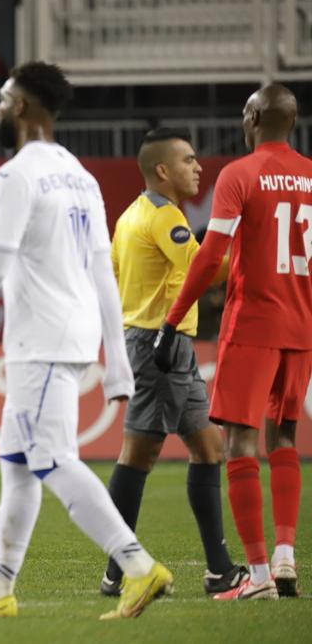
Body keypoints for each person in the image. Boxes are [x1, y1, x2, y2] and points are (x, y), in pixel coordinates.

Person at [0, 61, 171, 620]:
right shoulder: (80, 175)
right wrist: (114, 359)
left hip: (40, 339)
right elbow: (102, 272)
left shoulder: (15, 175)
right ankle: (0, 589)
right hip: (74, 333)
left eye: (4, 99)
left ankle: (138, 565)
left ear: (26, 109)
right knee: (15, 462)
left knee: (52, 459)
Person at [155, 83, 312, 600]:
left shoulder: (240, 175)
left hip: (253, 324)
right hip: (301, 327)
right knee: (284, 438)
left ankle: (260, 575)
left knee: (240, 444)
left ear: (254, 116)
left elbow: (208, 256)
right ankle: (288, 558)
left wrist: (173, 318)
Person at [101, 128, 245, 598]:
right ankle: (117, 570)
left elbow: (119, 280)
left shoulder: (128, 217)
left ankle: (219, 570)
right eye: (188, 159)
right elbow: (208, 269)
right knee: (138, 456)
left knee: (209, 448)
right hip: (159, 346)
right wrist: (247, 248)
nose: (198, 166)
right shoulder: (165, 218)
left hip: (154, 342)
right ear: (162, 170)